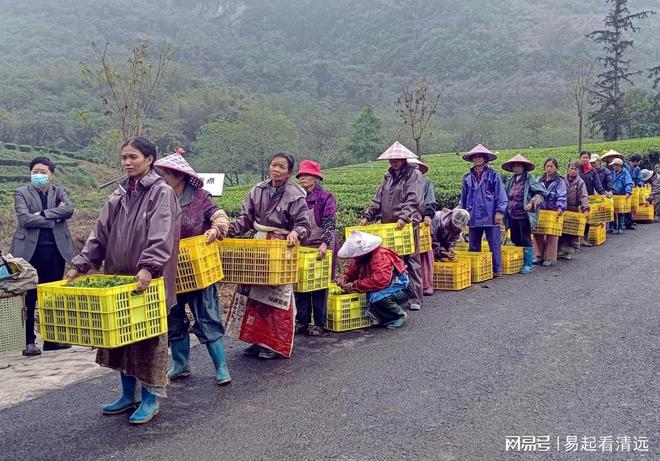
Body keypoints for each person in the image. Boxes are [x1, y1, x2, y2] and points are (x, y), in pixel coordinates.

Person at [65, 137, 181, 425]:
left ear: (149, 160)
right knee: (121, 338)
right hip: (118, 278)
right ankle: (128, 394)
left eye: (133, 157)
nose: (127, 162)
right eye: (123, 158)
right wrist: (81, 265)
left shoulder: (160, 193)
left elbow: (161, 233)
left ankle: (151, 398)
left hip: (148, 281)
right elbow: (99, 235)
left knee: (149, 339)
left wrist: (149, 267)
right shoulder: (118, 195)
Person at [153, 153, 231, 385]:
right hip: (169, 270)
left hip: (198, 269)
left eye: (165, 174)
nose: (161, 178)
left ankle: (221, 367)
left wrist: (216, 229)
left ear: (179, 176)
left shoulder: (200, 197)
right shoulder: (159, 198)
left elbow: (218, 216)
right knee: (173, 318)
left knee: (207, 317)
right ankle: (180, 364)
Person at [228, 152, 311, 359]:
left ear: (289, 172)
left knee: (276, 296)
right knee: (254, 293)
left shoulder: (295, 194)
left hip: (280, 249)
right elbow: (245, 219)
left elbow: (303, 224)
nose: (276, 169)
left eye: (282, 167)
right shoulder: (257, 190)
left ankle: (273, 344)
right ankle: (256, 340)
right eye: (274, 165)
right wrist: (227, 230)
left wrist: (296, 232)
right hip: (259, 245)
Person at [10, 156, 76, 357]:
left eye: (43, 172)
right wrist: (54, 218)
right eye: (35, 172)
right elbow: (25, 219)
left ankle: (52, 340)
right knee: (29, 295)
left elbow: (69, 209)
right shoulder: (21, 192)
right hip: (29, 251)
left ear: (51, 174)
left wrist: (43, 214)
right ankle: (29, 341)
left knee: (52, 294)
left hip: (56, 249)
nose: (38, 175)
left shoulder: (60, 191)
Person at [361, 142, 424, 310]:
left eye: (397, 159)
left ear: (403, 158)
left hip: (407, 224)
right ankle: (397, 296)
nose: (394, 162)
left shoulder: (414, 175)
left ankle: (416, 298)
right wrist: (368, 215)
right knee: (393, 262)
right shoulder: (387, 176)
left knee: (411, 260)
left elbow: (413, 198)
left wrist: (404, 218)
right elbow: (378, 198)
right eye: (391, 159)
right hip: (390, 226)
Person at [294, 159, 337, 337]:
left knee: (319, 286)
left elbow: (329, 223)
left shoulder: (326, 197)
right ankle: (302, 321)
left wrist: (325, 243)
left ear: (315, 178)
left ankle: (319, 323)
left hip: (321, 244)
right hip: (304, 246)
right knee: (301, 285)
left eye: (307, 175)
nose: (302, 178)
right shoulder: (298, 198)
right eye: (301, 175)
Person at [336, 231, 410, 329]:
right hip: (386, 286)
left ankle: (397, 315)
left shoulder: (380, 257)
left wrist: (354, 285)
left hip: (400, 287)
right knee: (371, 296)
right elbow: (352, 270)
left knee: (376, 298)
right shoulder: (361, 258)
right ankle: (381, 317)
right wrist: (344, 277)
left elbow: (379, 281)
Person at [460, 144, 508, 277]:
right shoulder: (467, 177)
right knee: (473, 244)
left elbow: (500, 194)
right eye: (475, 157)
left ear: (485, 159)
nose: (477, 159)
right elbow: (463, 197)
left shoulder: (493, 175)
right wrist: (462, 214)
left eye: (479, 157)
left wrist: (499, 212)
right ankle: (475, 270)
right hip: (473, 215)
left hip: (490, 214)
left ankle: (497, 269)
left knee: (494, 243)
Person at [501, 154, 545, 273]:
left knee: (526, 238)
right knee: (515, 238)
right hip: (512, 214)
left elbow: (541, 193)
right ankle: (520, 260)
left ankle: (528, 264)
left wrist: (532, 203)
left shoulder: (529, 179)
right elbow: (506, 196)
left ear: (523, 167)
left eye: (519, 166)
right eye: (514, 166)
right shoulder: (511, 181)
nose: (517, 168)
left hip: (524, 215)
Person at [408, 158, 436, 296]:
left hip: (422, 223)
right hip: (407, 223)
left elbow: (430, 202)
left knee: (425, 254)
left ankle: (427, 285)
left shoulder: (426, 182)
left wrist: (428, 215)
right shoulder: (403, 182)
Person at [534, 158, 567, 267]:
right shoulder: (539, 180)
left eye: (551, 166)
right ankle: (539, 256)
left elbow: (562, 195)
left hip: (553, 210)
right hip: (541, 210)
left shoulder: (560, 181)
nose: (549, 168)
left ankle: (549, 257)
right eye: (547, 166)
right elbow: (535, 192)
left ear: (556, 168)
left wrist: (560, 207)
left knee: (552, 234)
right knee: (538, 232)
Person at [558, 162, 590, 260]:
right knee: (561, 231)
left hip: (574, 209)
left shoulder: (580, 182)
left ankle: (568, 252)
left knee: (572, 232)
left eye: (575, 169)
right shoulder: (562, 180)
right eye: (571, 168)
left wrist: (585, 208)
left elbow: (583, 196)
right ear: (567, 169)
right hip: (563, 209)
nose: (573, 171)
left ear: (578, 171)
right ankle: (559, 250)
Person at [578, 151, 606, 246]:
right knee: (577, 217)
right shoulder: (576, 168)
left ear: (589, 159)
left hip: (588, 197)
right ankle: (576, 239)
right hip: (576, 196)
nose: (585, 159)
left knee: (587, 218)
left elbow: (597, 183)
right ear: (580, 158)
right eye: (583, 157)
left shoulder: (592, 170)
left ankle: (584, 238)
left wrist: (602, 192)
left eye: (587, 158)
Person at [609, 158, 633, 234]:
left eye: (614, 165)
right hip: (613, 194)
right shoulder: (612, 173)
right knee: (612, 210)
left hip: (621, 195)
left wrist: (628, 192)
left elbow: (628, 183)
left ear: (618, 165)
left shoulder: (625, 173)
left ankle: (620, 227)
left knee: (620, 211)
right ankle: (612, 227)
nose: (613, 167)